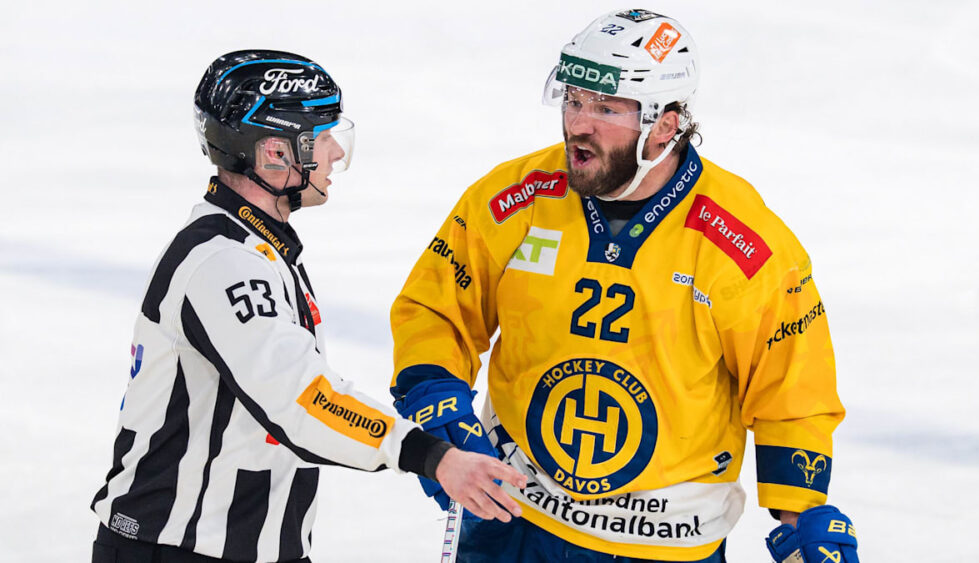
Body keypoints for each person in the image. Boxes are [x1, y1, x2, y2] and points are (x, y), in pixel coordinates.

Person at [389, 10, 858, 563]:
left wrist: (801, 516)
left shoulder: (744, 242)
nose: (578, 124)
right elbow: (436, 308)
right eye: (574, 99)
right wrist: (435, 397)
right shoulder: (513, 198)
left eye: (606, 108)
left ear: (667, 124)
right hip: (513, 519)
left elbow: (791, 387)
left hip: (664, 543)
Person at [90, 50, 526, 563]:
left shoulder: (259, 248)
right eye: (321, 136)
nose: (336, 152)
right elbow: (299, 400)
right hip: (177, 548)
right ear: (276, 153)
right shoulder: (224, 263)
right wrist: (430, 456)